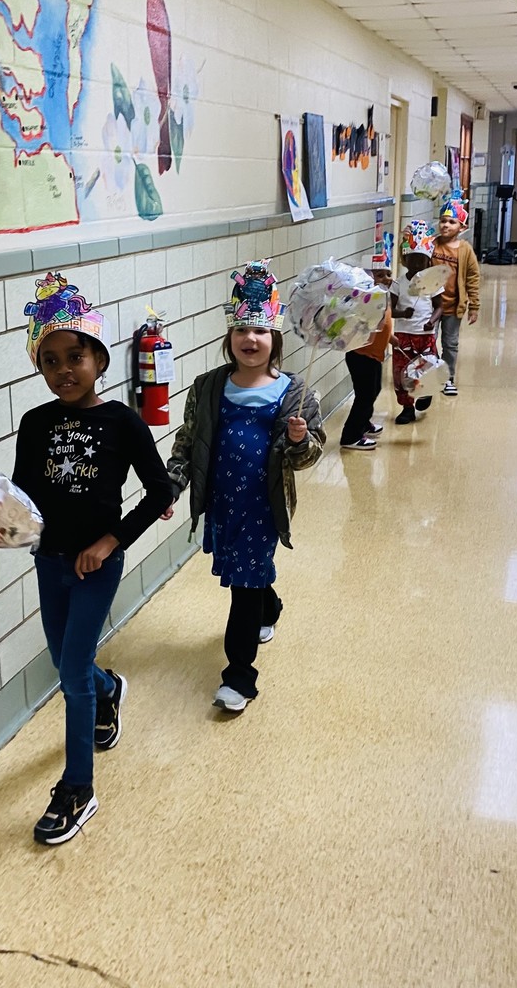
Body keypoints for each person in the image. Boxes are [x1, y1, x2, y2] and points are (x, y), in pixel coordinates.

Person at [12, 272, 172, 845]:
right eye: (50, 361)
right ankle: (109, 691)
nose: (64, 370)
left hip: (96, 567)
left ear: (99, 360)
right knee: (66, 662)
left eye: (75, 356)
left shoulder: (122, 422)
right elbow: (24, 494)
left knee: (71, 674)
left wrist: (110, 542)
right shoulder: (35, 424)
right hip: (48, 562)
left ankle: (78, 788)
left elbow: (160, 491)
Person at [162, 261, 324, 712]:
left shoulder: (294, 393)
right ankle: (269, 607)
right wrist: (171, 486)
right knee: (247, 575)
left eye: (261, 331)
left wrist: (299, 440)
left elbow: (309, 456)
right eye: (241, 331)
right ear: (229, 336)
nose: (250, 339)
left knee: (243, 587)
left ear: (276, 339)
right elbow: (188, 442)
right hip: (222, 504)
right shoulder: (208, 388)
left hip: (262, 507)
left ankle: (238, 676)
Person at [390, 221, 443, 425]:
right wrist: (402, 313)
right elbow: (390, 310)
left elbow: (440, 307)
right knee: (402, 372)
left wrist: (432, 321)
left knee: (426, 367)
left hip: (425, 335)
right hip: (403, 335)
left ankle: (425, 392)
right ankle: (407, 408)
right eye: (413, 260)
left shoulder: (432, 282)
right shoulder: (398, 284)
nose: (417, 265)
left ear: (428, 262)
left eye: (421, 261)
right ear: (406, 260)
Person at [339, 267, 396, 450]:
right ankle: (351, 436)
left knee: (374, 390)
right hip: (361, 356)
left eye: (388, 274)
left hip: (373, 356)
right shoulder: (366, 300)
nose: (386, 278)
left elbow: (382, 327)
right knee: (365, 396)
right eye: (380, 275)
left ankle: (363, 423)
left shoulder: (381, 297)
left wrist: (392, 339)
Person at [431, 199, 481, 396]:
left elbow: (473, 277)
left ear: (462, 227)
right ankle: (429, 374)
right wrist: (408, 241)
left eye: (452, 222)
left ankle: (448, 378)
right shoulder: (431, 244)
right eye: (443, 221)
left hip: (453, 305)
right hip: (431, 306)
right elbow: (414, 262)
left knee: (450, 344)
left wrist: (474, 306)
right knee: (428, 341)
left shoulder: (465, 249)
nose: (446, 225)